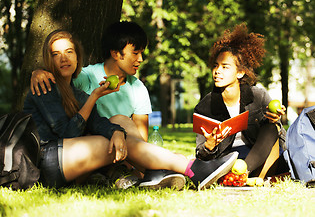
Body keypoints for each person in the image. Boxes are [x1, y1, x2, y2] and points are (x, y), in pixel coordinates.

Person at [24, 29, 239, 190]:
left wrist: (116, 132)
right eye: (56, 54)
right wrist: (95, 97)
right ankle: (193, 168)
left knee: (118, 126)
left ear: (77, 55)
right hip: (46, 162)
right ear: (48, 59)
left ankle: (165, 170)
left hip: (70, 160)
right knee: (112, 137)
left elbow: (97, 122)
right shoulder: (46, 86)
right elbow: (66, 133)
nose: (64, 58)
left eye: (69, 52)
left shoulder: (75, 93)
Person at [31, 21, 151, 141]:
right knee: (119, 120)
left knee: (121, 121)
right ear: (115, 53)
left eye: (141, 53)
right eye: (135, 53)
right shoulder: (85, 77)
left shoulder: (138, 89)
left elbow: (141, 141)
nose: (140, 59)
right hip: (91, 147)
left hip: (124, 149)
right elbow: (58, 80)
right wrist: (38, 73)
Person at [194, 23, 287, 178]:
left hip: (257, 158)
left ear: (240, 73)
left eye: (225, 67)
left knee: (271, 128)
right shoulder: (205, 107)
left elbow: (276, 137)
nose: (217, 71)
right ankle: (243, 176)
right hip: (227, 160)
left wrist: (275, 119)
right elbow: (201, 154)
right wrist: (209, 146)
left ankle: (245, 175)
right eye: (216, 66)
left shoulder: (258, 96)